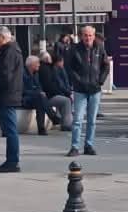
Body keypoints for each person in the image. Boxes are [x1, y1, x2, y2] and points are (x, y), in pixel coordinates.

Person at [66, 25, 109, 156]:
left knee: (92, 121)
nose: (88, 38)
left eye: (90, 35)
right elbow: (69, 68)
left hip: (95, 89)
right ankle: (74, 147)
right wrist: (78, 81)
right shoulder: (75, 49)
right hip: (80, 90)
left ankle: (89, 145)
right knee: (77, 120)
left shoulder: (100, 48)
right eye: (85, 35)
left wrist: (100, 81)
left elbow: (105, 66)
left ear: (94, 36)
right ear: (81, 36)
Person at [0, 26, 23, 172]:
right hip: (8, 95)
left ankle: (12, 161)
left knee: (10, 130)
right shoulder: (11, 51)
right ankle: (11, 160)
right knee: (9, 130)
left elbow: (5, 76)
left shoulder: (9, 52)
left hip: (6, 96)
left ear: (3, 38)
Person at [39, 53, 74, 131]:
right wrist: (64, 93)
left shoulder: (48, 68)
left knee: (64, 100)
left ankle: (64, 122)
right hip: (49, 96)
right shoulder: (46, 69)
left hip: (50, 94)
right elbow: (51, 85)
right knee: (66, 101)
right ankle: (66, 124)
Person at [22, 55, 53, 135]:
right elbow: (23, 91)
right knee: (39, 97)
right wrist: (37, 93)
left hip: (36, 98)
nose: (39, 65)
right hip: (25, 98)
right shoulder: (22, 74)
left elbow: (39, 87)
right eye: (37, 63)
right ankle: (52, 116)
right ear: (31, 64)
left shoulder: (36, 74)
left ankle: (41, 129)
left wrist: (39, 93)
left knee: (40, 100)